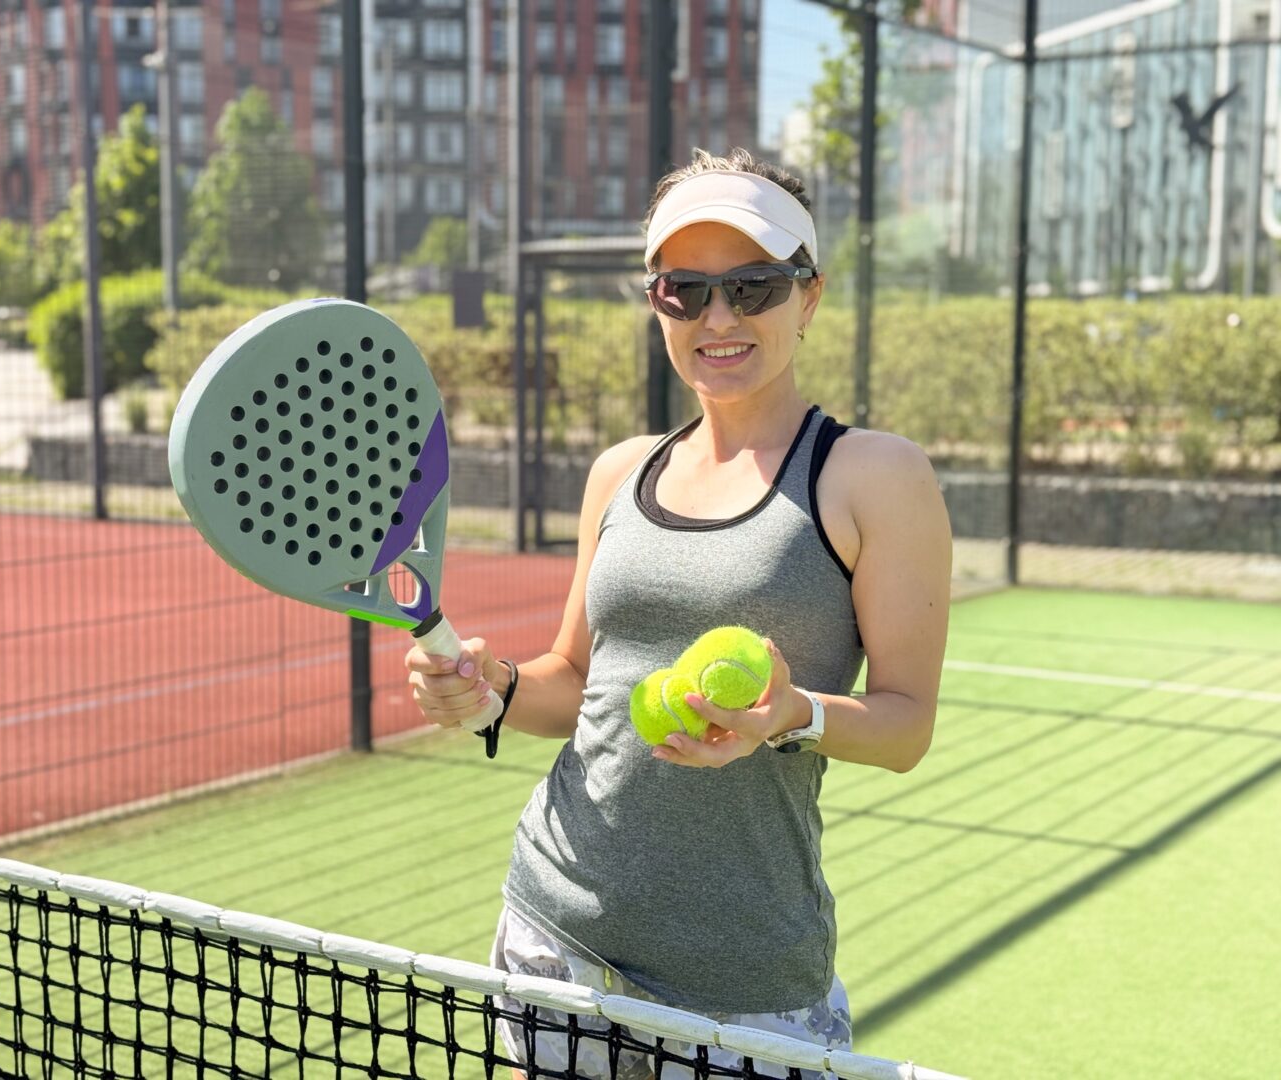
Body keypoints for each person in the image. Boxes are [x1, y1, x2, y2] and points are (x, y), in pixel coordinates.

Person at [404, 148, 952, 1080]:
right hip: (554, 936)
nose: (720, 318)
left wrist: (792, 717)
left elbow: (905, 727)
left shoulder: (874, 475)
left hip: (745, 980)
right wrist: (489, 688)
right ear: (657, 304)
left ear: (808, 297)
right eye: (685, 292)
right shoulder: (620, 472)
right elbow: (576, 683)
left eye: (752, 286)